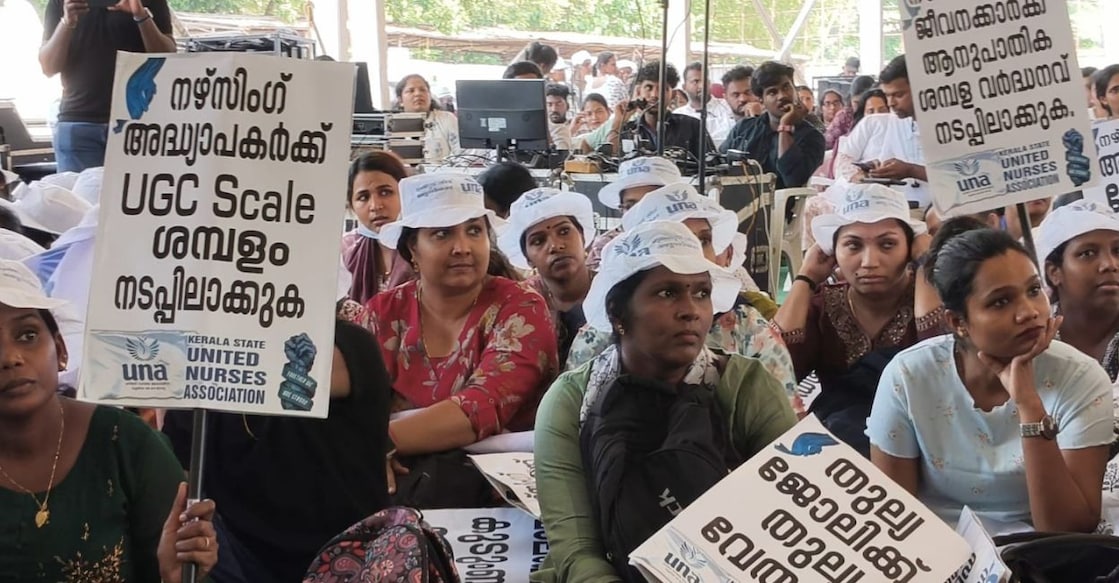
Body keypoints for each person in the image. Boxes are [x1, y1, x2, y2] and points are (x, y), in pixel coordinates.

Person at [532, 221, 797, 582]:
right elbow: (579, 550)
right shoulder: (571, 402)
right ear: (617, 314)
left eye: (701, 293)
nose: (691, 310)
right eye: (667, 293)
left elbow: (790, 519)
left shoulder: (745, 387)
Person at [869, 223, 1113, 531]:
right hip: (937, 552)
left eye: (1033, 290)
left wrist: (1030, 408)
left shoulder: (1080, 377)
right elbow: (897, 516)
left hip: (1042, 557)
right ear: (958, 322)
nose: (1029, 312)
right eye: (1000, 301)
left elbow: (1066, 530)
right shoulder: (909, 376)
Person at [0, 260, 218, 581]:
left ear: (60, 350)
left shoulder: (126, 445)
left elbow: (176, 571)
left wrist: (177, 575)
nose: (10, 358)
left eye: (28, 334)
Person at [351, 173, 558, 507]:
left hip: (500, 495)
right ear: (412, 251)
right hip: (400, 485)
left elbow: (481, 407)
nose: (462, 247)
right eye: (442, 233)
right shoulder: (383, 313)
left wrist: (379, 441)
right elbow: (352, 405)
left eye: (474, 230)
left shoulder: (521, 306)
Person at [162, 315, 393, 582]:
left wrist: (181, 360)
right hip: (240, 560)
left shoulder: (347, 345)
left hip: (344, 559)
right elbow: (179, 489)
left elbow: (296, 371)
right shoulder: (194, 387)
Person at [567, 183, 802, 414]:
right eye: (675, 240)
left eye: (703, 241)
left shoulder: (748, 329)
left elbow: (785, 429)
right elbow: (567, 420)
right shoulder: (599, 336)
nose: (693, 254)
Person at [773, 184, 941, 454]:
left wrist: (926, 264)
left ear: (910, 249)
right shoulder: (824, 305)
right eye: (853, 245)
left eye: (887, 244)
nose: (869, 261)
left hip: (925, 442)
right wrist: (805, 278)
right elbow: (776, 373)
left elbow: (941, 357)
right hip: (840, 449)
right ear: (832, 253)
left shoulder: (928, 298)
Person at [40, 0, 175, 173]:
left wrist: (141, 15)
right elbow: (49, 67)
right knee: (77, 200)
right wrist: (67, 22)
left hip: (137, 125)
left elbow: (168, 58)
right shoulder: (61, 2)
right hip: (79, 124)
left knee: (133, 198)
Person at [1038, 201, 1119, 430]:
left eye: (1118, 251)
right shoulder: (1032, 343)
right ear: (1054, 272)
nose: (1109, 265)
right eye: (1087, 254)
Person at [498, 188, 596, 368]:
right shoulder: (519, 304)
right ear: (527, 258)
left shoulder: (613, 290)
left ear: (582, 236)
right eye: (538, 241)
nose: (555, 246)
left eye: (564, 231)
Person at [834, 56, 930, 208]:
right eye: (887, 95)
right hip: (898, 204)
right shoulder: (895, 121)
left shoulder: (946, 122)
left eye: (898, 95)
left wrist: (911, 170)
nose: (891, 103)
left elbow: (958, 176)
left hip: (941, 208)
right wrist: (877, 170)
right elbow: (888, 161)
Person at [720, 61, 826, 190]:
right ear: (761, 100)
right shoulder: (744, 128)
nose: (782, 96)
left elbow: (793, 179)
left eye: (786, 87)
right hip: (734, 201)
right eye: (772, 92)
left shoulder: (812, 136)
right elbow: (719, 164)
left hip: (780, 207)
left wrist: (785, 126)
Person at [594, 62, 714, 162]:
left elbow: (712, 165)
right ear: (639, 91)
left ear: (672, 95)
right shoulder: (627, 130)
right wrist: (618, 122)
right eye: (649, 88)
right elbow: (608, 161)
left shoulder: (693, 126)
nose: (655, 95)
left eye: (662, 89)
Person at [584, 155, 684, 270]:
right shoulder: (606, 247)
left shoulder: (697, 235)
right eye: (631, 206)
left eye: (650, 205)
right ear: (621, 209)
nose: (640, 213)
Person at [341, 152, 414, 304]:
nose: (375, 206)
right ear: (352, 205)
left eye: (385, 192)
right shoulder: (345, 252)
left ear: (406, 193)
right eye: (363, 197)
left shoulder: (425, 249)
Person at [395, 74, 460, 162]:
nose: (418, 94)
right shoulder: (392, 125)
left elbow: (462, 154)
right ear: (400, 101)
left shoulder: (447, 119)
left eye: (423, 90)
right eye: (411, 91)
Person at [674, 61, 736, 143]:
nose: (701, 86)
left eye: (704, 81)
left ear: (710, 83)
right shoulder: (678, 116)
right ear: (684, 87)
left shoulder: (728, 107)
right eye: (695, 81)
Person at [824, 74, 875, 150]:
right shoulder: (844, 116)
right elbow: (827, 143)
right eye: (856, 103)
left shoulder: (880, 115)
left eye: (865, 103)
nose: (861, 108)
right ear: (850, 99)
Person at [545, 83, 573, 150]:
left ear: (567, 105)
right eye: (549, 104)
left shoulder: (576, 124)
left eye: (559, 104)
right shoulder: (542, 128)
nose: (554, 109)